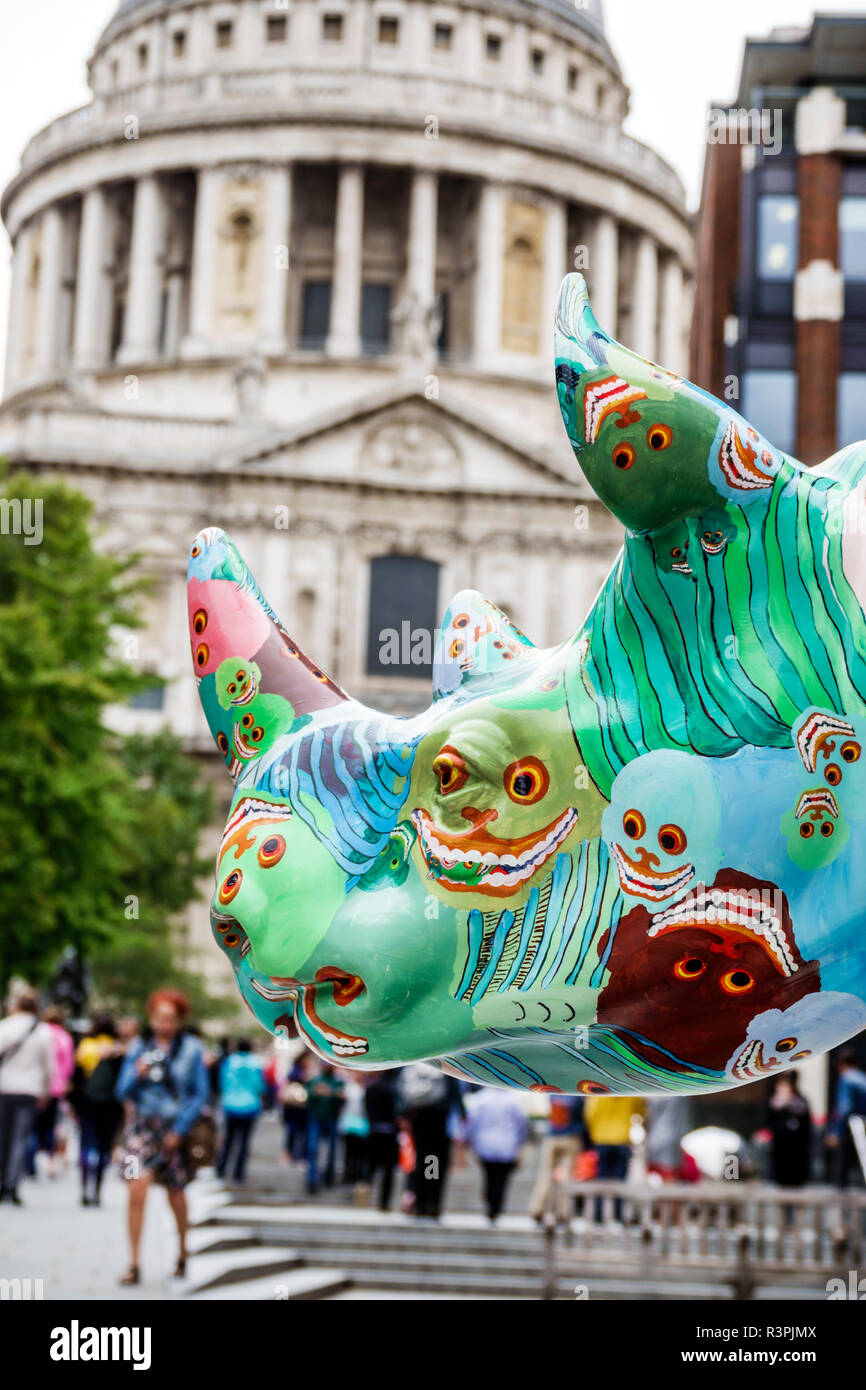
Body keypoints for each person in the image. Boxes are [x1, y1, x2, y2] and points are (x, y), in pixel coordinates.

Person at [115, 988, 209, 1285]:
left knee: (176, 1194)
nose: (163, 1025)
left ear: (180, 1020)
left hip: (174, 1129)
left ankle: (182, 1253)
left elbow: (200, 1093)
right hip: (142, 1128)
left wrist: (179, 1130)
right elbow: (122, 1090)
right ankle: (133, 1263)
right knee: (136, 1190)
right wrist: (136, 1073)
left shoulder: (192, 1049)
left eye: (169, 1019)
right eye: (158, 1018)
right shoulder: (139, 1047)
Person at [0, 987, 54, 1204]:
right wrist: (46, 1091)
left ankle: (2, 1181)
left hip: (4, 1087)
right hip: (29, 1089)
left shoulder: (5, 1026)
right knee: (20, 1138)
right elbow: (48, 1067)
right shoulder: (43, 1032)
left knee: (3, 1137)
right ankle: (12, 1183)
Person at [79, 1016, 138, 1207]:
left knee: (87, 1145)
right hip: (110, 1105)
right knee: (104, 1147)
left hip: (87, 1103)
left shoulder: (86, 1046)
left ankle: (84, 1188)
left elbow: (76, 1077)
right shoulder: (119, 1050)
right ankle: (96, 1190)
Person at [398, 1063, 464, 1219]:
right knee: (435, 1161)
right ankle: (432, 1201)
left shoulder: (414, 1062)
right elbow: (455, 1093)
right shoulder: (446, 1064)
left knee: (423, 1159)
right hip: (439, 1118)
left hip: (419, 1117)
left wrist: (403, 1114)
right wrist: (462, 1112)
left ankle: (420, 1201)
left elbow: (400, 1091)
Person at [465, 1086, 528, 1223]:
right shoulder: (513, 1100)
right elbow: (522, 1125)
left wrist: (470, 1142)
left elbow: (471, 1123)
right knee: (501, 1179)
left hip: (485, 1144)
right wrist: (520, 1144)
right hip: (507, 1145)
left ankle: (490, 1203)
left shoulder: (480, 1099)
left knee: (489, 1176)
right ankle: (496, 1206)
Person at [28, 1004, 74, 1178]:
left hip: (35, 1086)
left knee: (31, 1127)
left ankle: (30, 1164)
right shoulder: (64, 1037)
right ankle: (48, 1158)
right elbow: (68, 1066)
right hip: (56, 1089)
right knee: (50, 1127)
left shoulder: (38, 1033)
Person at [584, 1093, 645, 1223]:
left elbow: (590, 1114)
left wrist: (594, 1133)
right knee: (621, 1179)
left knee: (601, 1178)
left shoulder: (598, 1095)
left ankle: (598, 1216)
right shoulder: (630, 1093)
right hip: (622, 1139)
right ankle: (618, 1215)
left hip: (602, 1139)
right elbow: (640, 1112)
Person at [529, 1094, 586, 1223]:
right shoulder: (577, 1096)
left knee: (545, 1175)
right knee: (568, 1176)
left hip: (552, 1137)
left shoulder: (553, 1095)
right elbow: (583, 1117)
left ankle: (537, 1208)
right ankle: (563, 1212)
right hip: (571, 1137)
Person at [216, 1039, 266, 1183]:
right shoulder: (256, 1063)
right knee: (244, 1141)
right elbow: (260, 1085)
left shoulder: (229, 1061)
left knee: (228, 1139)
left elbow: (222, 1082)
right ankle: (239, 1172)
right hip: (250, 1106)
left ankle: (221, 1168)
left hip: (230, 1105)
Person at [827, 1048, 866, 1188]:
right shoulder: (862, 1077)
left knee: (843, 1171)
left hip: (854, 1128)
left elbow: (844, 1107)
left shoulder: (846, 1078)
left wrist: (834, 1132)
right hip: (862, 1127)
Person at [766, 1072, 812, 1188]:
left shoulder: (800, 1102)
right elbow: (769, 1121)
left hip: (796, 1145)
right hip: (781, 1144)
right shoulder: (774, 1102)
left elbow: (806, 1123)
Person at [304, 1061, 344, 1194]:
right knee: (312, 1149)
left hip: (331, 1119)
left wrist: (331, 1094)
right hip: (316, 1118)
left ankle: (329, 1175)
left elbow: (341, 1097)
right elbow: (308, 1097)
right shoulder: (315, 1081)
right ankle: (312, 1179)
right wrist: (317, 1093)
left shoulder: (338, 1082)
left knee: (332, 1150)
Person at [364, 1070, 399, 1212]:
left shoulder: (371, 1088)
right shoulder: (392, 1089)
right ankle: (384, 1202)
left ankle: (365, 1194)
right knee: (388, 1169)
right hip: (389, 1132)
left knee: (372, 1166)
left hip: (373, 1130)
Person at [339, 1073, 370, 1186]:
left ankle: (357, 1173)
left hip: (361, 1123)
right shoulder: (348, 1088)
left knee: (359, 1152)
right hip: (349, 1123)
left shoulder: (364, 1088)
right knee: (349, 1151)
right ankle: (349, 1174)